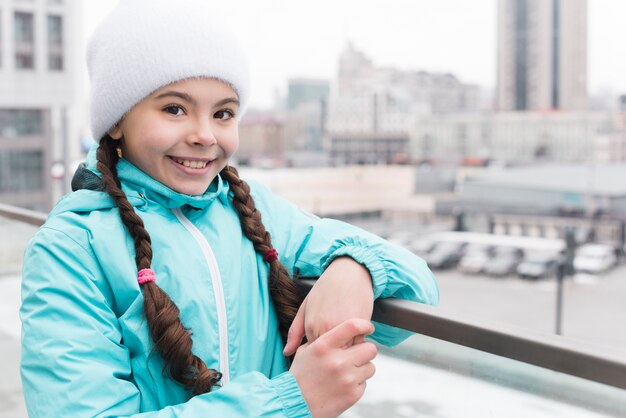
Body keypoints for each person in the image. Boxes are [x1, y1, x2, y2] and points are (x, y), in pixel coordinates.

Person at [19, 1, 439, 417]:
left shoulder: (256, 212)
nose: (204, 135)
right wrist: (292, 399)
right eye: (174, 108)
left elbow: (418, 291)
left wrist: (357, 269)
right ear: (115, 120)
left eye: (223, 113)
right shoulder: (70, 249)